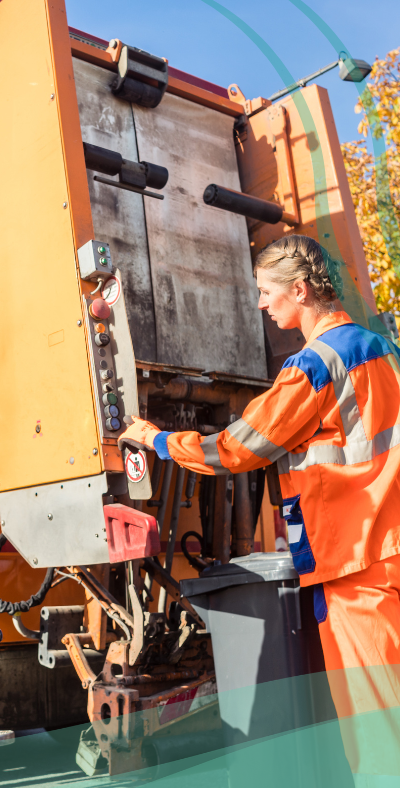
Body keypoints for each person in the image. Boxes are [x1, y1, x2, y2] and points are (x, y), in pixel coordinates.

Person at [119, 234, 400, 781]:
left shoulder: (314, 366)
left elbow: (237, 447)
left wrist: (156, 440)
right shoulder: (383, 350)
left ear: (300, 289)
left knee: (377, 726)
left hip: (354, 562)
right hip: (388, 546)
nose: (260, 302)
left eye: (267, 290)